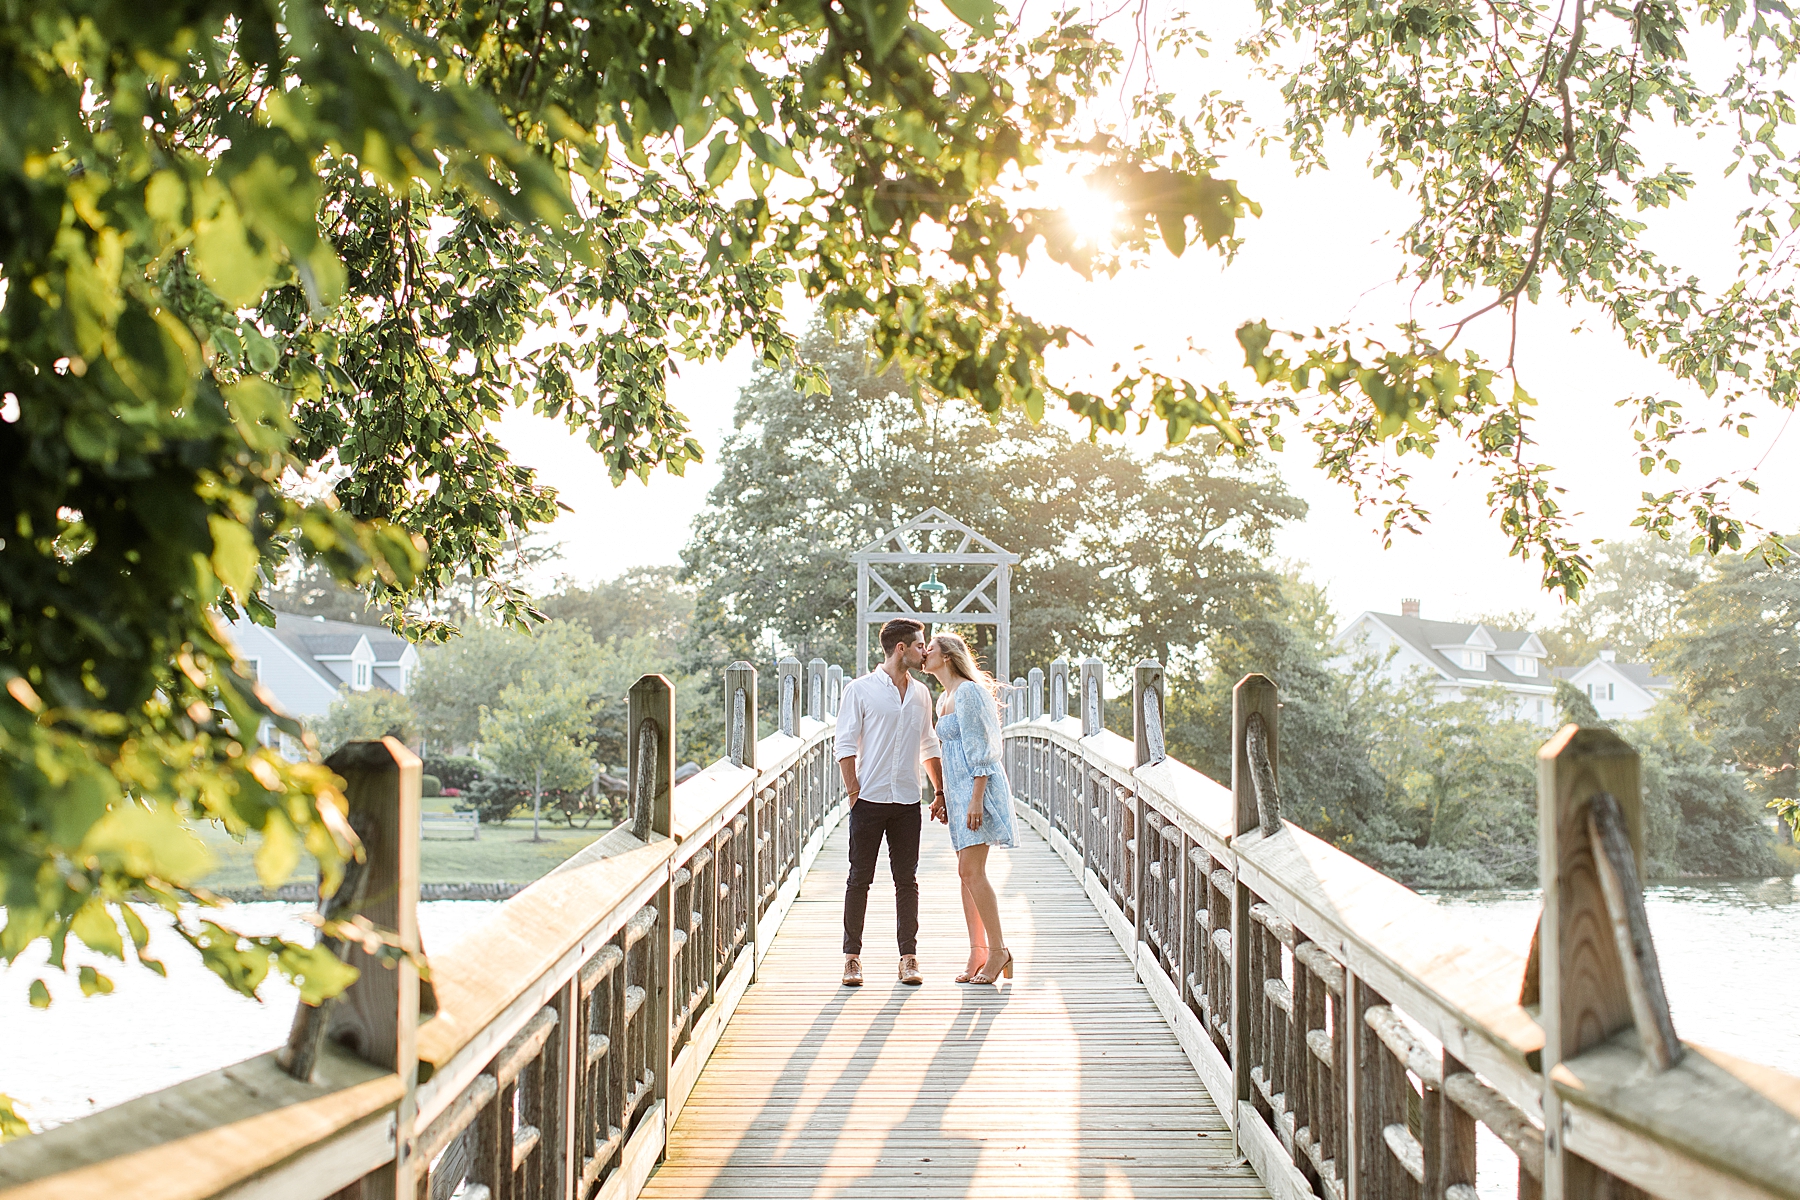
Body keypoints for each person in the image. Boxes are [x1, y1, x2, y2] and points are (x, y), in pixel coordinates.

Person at [835, 618, 944, 987]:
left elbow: (929, 744)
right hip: (868, 799)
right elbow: (845, 746)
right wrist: (854, 795)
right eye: (919, 645)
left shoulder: (921, 694)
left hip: (907, 801)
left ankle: (908, 957)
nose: (925, 651)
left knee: (906, 880)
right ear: (901, 648)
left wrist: (939, 792)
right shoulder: (860, 690)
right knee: (859, 879)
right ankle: (852, 959)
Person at [922, 631, 1018, 985]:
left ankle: (998, 950)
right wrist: (944, 794)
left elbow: (984, 748)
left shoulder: (969, 692)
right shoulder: (942, 698)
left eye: (928, 649)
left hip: (979, 790)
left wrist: (976, 797)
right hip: (960, 792)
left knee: (972, 871)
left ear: (946, 656)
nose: (923, 654)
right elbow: (948, 753)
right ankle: (978, 949)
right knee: (965, 873)